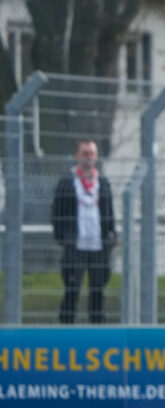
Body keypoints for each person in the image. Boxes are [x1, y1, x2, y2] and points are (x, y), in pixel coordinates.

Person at [51, 139, 117, 324]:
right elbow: (57, 212)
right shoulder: (67, 182)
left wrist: (111, 235)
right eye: (85, 153)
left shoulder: (102, 183)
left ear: (96, 156)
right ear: (77, 156)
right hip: (75, 245)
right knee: (72, 289)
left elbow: (109, 211)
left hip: (98, 245)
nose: (88, 157)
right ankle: (66, 329)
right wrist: (61, 239)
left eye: (91, 153)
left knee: (98, 291)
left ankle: (97, 330)